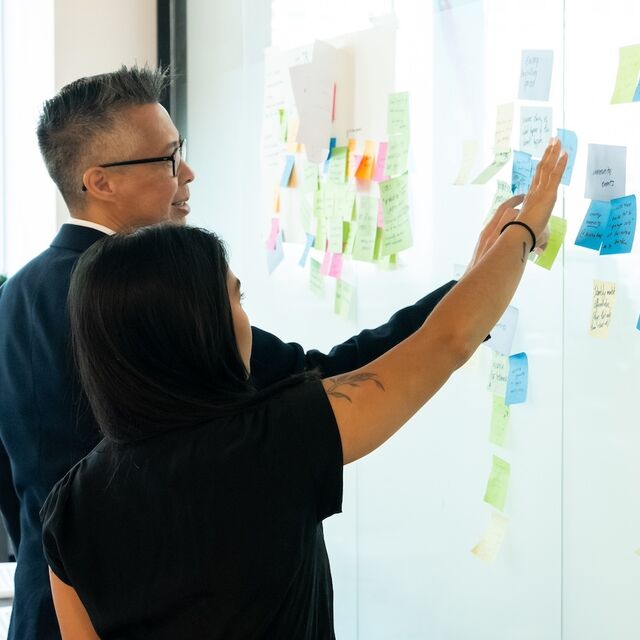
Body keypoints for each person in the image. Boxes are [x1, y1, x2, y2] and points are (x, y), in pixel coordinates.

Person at [0, 66, 482, 639]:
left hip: (47, 607)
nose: (188, 173)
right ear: (100, 181)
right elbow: (318, 375)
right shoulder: (153, 302)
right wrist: (475, 292)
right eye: (169, 159)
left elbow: (16, 484)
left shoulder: (16, 293)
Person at [40, 140, 567, 639]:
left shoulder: (68, 510)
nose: (247, 319)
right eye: (237, 299)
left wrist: (476, 271)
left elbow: (422, 347)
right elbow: (443, 346)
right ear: (198, 328)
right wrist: (523, 231)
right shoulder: (273, 440)